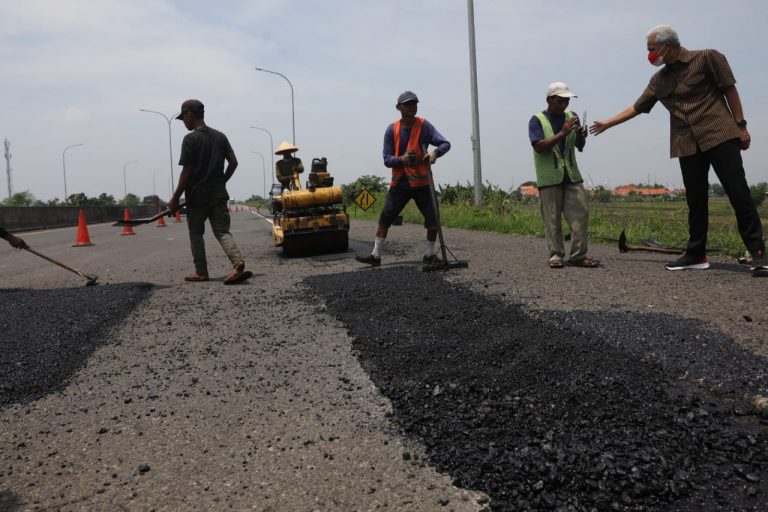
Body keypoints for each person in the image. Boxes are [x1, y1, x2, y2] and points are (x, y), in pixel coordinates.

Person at [590, 25, 767, 276]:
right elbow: (637, 107)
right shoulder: (659, 80)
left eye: (651, 49)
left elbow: (730, 89)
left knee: (738, 193)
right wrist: (608, 123)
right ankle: (696, 254)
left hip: (719, 133)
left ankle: (759, 254)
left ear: (667, 46)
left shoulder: (707, 58)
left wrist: (741, 126)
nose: (649, 55)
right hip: (686, 142)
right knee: (695, 199)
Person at [355, 91, 451, 266]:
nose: (411, 107)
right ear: (398, 108)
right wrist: (401, 160)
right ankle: (375, 255)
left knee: (433, 219)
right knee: (385, 218)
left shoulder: (425, 126)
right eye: (407, 105)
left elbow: (445, 143)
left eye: (414, 104)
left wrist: (435, 153)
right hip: (400, 183)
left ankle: (429, 254)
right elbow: (386, 159)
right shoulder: (392, 130)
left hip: (422, 183)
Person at [168, 99, 251, 284]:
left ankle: (201, 272)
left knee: (196, 233)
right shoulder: (220, 136)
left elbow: (187, 171)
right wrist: (221, 182)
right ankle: (237, 262)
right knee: (222, 232)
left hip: (197, 197)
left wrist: (174, 198)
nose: (183, 122)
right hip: (218, 195)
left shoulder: (190, 139)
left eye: (184, 118)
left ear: (190, 114)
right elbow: (234, 163)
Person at [529, 82, 599, 269]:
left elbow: (579, 146)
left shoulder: (572, 117)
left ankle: (578, 255)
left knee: (581, 215)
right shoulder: (537, 120)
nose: (565, 104)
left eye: (567, 100)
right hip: (549, 178)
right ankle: (556, 255)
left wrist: (581, 136)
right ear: (550, 100)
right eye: (561, 101)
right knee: (552, 219)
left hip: (572, 175)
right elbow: (538, 146)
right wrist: (562, 133)